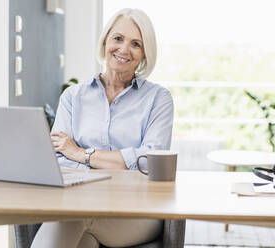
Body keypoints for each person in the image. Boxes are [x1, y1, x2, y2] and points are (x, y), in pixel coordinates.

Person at [31, 8, 174, 248]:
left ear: (144, 54)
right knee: (82, 238)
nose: (124, 49)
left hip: (137, 211)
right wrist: (120, 161)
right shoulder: (73, 97)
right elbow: (58, 158)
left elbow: (150, 161)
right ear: (105, 40)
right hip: (81, 202)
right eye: (118, 38)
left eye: (136, 44)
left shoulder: (159, 99)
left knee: (75, 215)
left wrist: (81, 153)